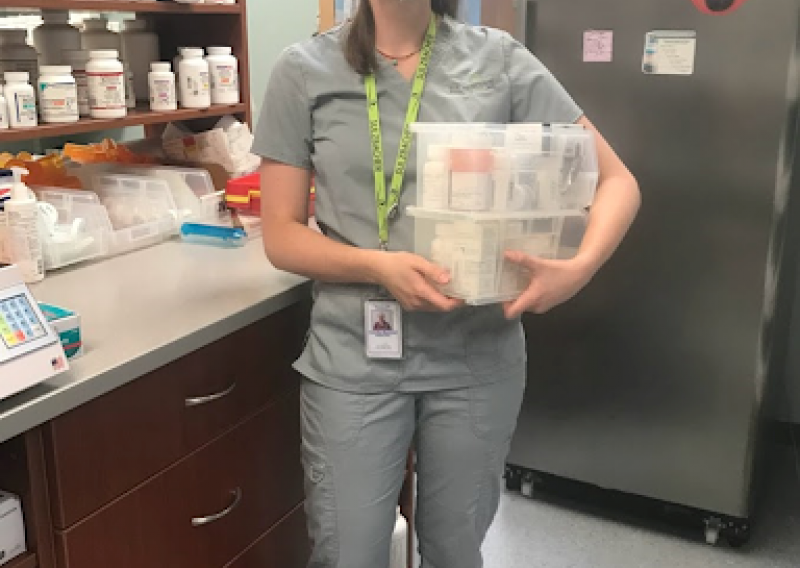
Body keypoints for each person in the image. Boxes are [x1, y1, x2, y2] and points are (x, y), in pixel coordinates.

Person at [253, 0, 641, 566]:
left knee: (456, 553)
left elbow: (616, 180)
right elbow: (282, 235)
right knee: (348, 554)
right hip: (355, 357)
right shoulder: (304, 69)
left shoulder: (498, 60)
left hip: (475, 357)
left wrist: (577, 270)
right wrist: (378, 266)